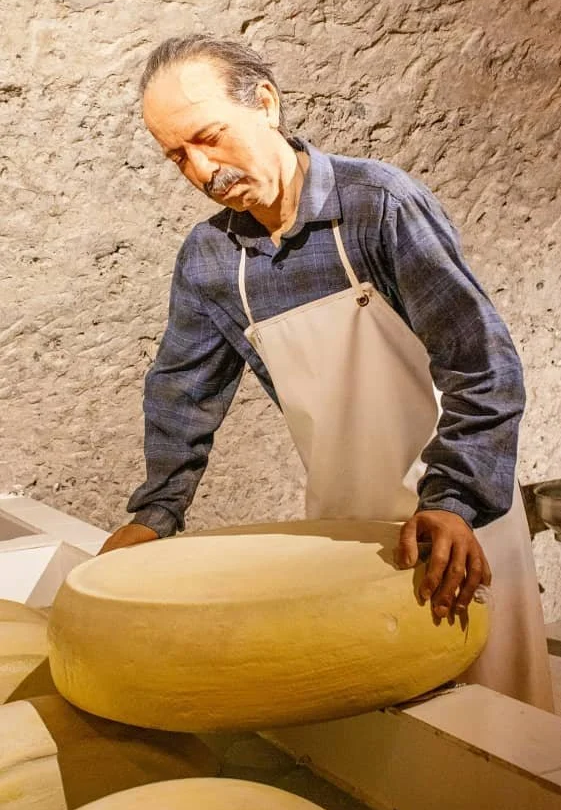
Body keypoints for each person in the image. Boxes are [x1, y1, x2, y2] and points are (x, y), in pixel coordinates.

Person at [101, 34, 553, 710]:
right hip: (343, 525)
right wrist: (156, 515)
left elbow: (482, 365)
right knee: (389, 734)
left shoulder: (378, 205)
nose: (201, 170)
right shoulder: (210, 259)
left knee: (497, 722)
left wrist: (452, 501)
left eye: (210, 138)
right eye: (178, 157)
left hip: (457, 517)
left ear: (265, 103)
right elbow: (180, 394)